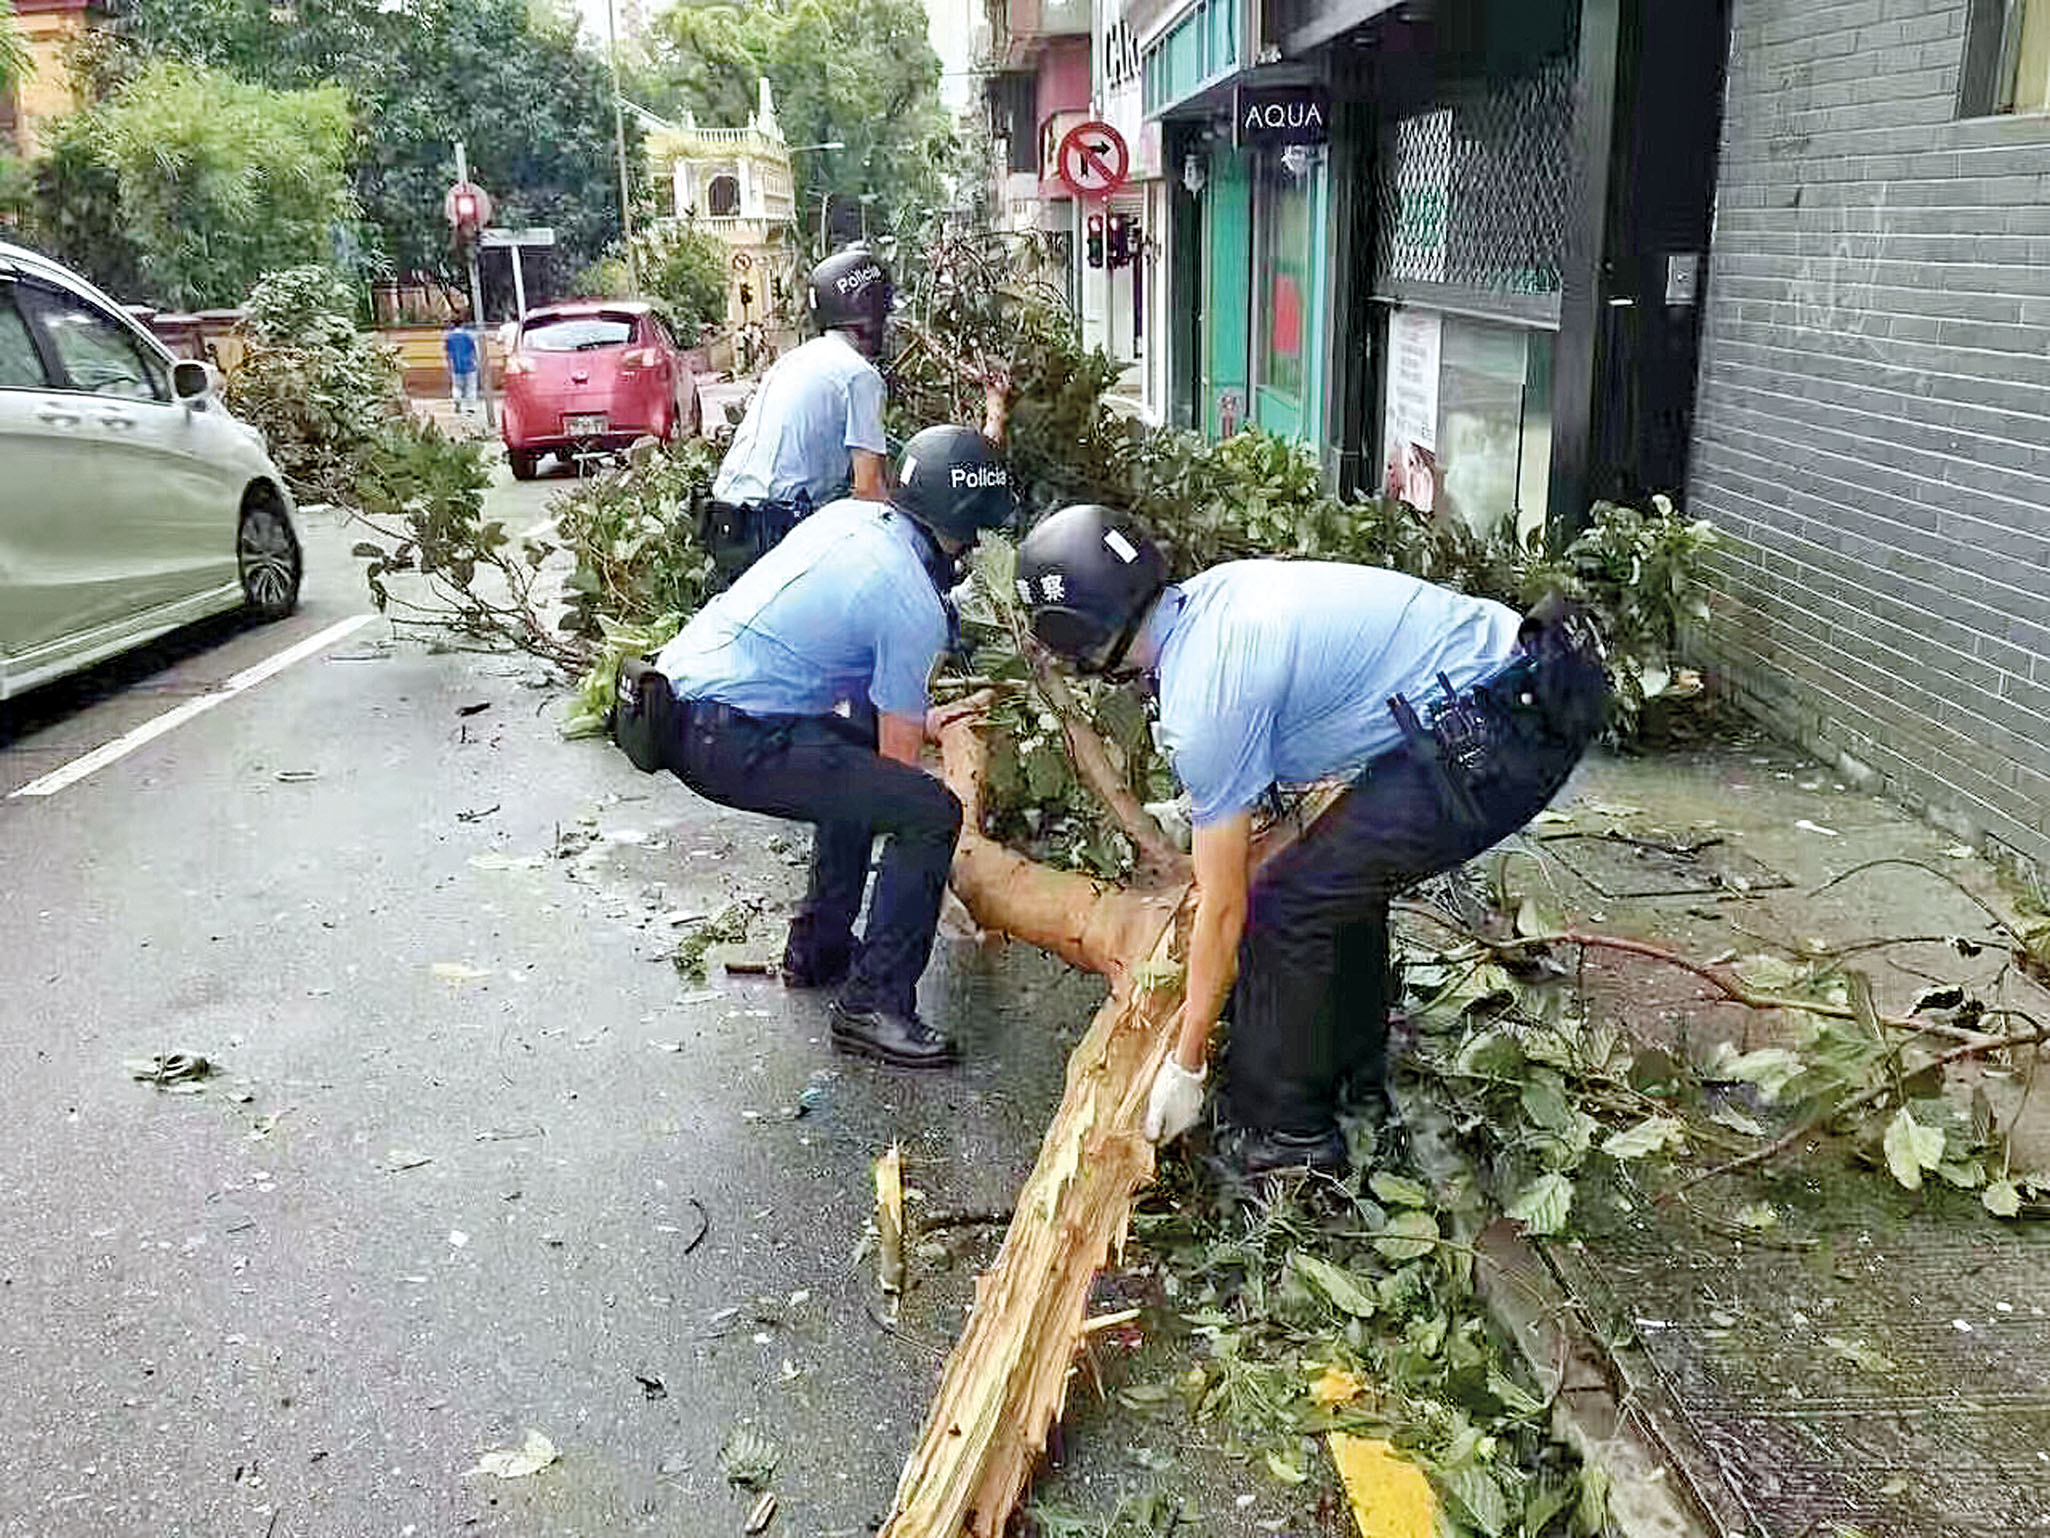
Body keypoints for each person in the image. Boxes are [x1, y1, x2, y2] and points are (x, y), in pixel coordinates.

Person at [1015, 505, 1610, 1175]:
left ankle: (1285, 1136)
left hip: (1506, 726)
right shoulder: (1216, 594)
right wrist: (1202, 804)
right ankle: (1351, 1074)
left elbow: (1223, 908)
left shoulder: (1203, 698)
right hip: (1517, 679)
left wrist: (1186, 1061)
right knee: (1339, 878)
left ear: (1082, 639)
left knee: (1286, 903)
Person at [654, 425, 1017, 1067]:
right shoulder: (912, 598)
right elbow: (894, 777)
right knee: (927, 812)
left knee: (852, 762)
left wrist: (920, 717)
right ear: (963, 531)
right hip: (729, 734)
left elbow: (857, 685)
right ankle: (873, 1005)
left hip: (685, 704)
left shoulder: (853, 519)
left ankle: (819, 948)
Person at [702, 248, 894, 583]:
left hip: (724, 521)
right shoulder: (861, 376)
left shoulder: (797, 358)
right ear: (871, 315)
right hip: (774, 533)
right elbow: (869, 494)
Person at [443, 321, 479, 416]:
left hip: (456, 365)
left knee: (457, 386)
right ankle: (470, 408)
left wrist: (448, 364)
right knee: (470, 387)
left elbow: (447, 352)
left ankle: (457, 402)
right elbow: (474, 349)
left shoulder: (449, 337)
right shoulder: (468, 336)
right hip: (469, 364)